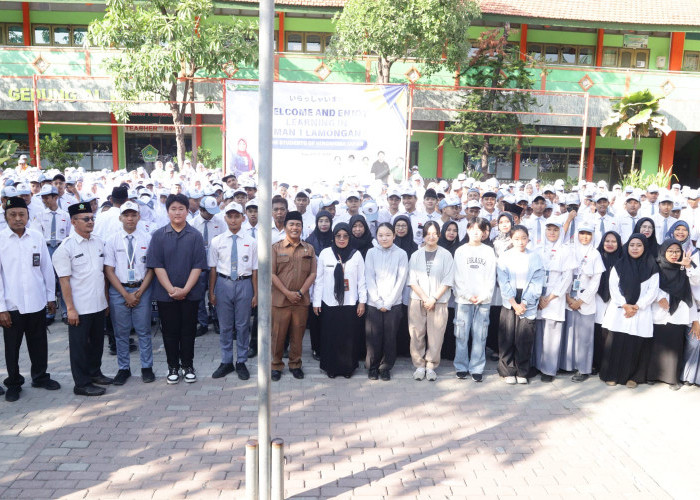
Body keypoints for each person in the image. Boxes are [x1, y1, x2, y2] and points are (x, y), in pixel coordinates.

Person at [0, 197, 60, 401]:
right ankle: (14, 382)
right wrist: (1, 308)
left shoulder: (36, 237)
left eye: (21, 214)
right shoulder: (1, 240)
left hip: (36, 302)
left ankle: (40, 377)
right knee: (12, 348)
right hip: (11, 304)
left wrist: (50, 297)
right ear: (6, 215)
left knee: (39, 343)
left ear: (27, 215)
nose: (18, 219)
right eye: (13, 215)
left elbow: (46, 269)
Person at [52, 201, 113, 396]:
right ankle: (81, 383)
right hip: (79, 307)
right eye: (85, 219)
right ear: (73, 221)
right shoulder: (66, 248)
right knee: (79, 347)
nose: (90, 221)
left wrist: (105, 300)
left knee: (97, 343)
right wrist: (70, 308)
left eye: (92, 218)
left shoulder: (98, 241)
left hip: (98, 303)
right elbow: (64, 282)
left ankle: (95, 373)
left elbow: (101, 274)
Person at [146, 193, 207, 385]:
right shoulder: (158, 235)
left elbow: (198, 266)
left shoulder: (195, 236)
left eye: (181, 208)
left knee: (188, 330)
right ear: (167, 211)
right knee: (169, 331)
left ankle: (187, 365)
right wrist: (172, 289)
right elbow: (157, 266)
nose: (177, 212)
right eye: (173, 209)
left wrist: (185, 290)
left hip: (191, 294)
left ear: (188, 211)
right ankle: (173, 366)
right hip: (166, 295)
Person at [103, 200, 156, 385]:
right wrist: (125, 294)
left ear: (139, 216)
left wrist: (139, 292)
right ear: (120, 217)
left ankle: (146, 367)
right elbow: (109, 270)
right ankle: (123, 368)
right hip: (120, 290)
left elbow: (151, 269)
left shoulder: (148, 238)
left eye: (134, 214)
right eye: (126, 215)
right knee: (121, 332)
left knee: (143, 331)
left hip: (142, 289)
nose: (130, 218)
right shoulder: (112, 240)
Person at [599, 234, 660, 387]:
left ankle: (634, 377)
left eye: (639, 245)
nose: (635, 248)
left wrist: (638, 306)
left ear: (644, 247)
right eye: (632, 245)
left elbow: (653, 290)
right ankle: (611, 374)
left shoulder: (652, 266)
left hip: (641, 311)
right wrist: (625, 305)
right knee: (616, 343)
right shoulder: (619, 265)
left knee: (636, 344)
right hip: (621, 311)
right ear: (627, 246)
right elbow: (614, 288)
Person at [208, 202, 258, 381]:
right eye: (230, 216)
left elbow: (255, 270)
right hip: (224, 283)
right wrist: (211, 292)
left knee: (243, 325)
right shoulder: (217, 241)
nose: (234, 219)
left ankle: (242, 361)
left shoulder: (251, 242)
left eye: (237, 216)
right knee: (225, 325)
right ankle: (226, 360)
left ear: (243, 218)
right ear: (225, 218)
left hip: (244, 284)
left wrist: (255, 293)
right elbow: (213, 269)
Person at [313, 223, 367, 378]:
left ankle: (347, 368)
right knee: (331, 336)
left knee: (348, 337)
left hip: (350, 303)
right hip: (330, 303)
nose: (342, 239)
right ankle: (331, 368)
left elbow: (361, 280)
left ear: (349, 237)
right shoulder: (325, 253)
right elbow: (319, 280)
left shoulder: (356, 254)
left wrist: (362, 302)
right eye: (338, 236)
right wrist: (316, 302)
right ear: (333, 237)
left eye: (345, 236)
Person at [270, 211, 317, 381]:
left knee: (297, 336)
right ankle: (275, 365)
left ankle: (295, 364)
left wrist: (300, 293)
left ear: (302, 227)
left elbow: (312, 273)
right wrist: (287, 293)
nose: (295, 227)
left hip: (300, 301)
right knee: (278, 335)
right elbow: (272, 274)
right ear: (285, 227)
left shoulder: (309, 248)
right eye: (291, 224)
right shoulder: (276, 248)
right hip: (280, 300)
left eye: (298, 224)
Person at [496, 225, 545, 384]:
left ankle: (522, 371)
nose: (520, 242)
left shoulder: (535, 257)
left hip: (527, 299)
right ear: (511, 239)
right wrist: (514, 303)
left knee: (525, 337)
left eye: (524, 238)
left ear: (528, 238)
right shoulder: (505, 256)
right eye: (516, 238)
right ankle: (507, 370)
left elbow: (537, 281)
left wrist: (524, 302)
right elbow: (503, 281)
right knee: (507, 335)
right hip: (510, 299)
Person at [407, 221, 455, 381]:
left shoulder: (446, 255)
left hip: (439, 301)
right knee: (416, 334)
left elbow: (448, 280)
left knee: (436, 336)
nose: (431, 237)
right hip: (418, 300)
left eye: (434, 233)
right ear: (424, 235)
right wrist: (425, 298)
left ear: (439, 235)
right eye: (428, 234)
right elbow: (412, 280)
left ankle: (431, 366)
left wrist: (433, 298)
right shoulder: (416, 255)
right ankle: (419, 365)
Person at [648, 240, 698, 390]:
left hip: (679, 312)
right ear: (664, 251)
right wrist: (659, 297)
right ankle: (653, 375)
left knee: (675, 346)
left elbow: (696, 283)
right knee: (657, 345)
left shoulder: (685, 266)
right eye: (670, 251)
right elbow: (650, 285)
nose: (674, 254)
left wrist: (688, 266)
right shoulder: (656, 266)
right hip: (659, 311)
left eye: (677, 251)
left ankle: (672, 379)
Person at [452, 218, 497, 383]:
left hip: (483, 301)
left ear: (485, 232)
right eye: (473, 229)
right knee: (461, 335)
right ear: (468, 230)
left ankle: (477, 368)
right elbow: (457, 277)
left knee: (480, 335)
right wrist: (467, 295)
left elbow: (491, 276)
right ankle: (461, 366)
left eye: (481, 230)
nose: (477, 233)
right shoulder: (460, 251)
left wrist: (483, 296)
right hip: (463, 300)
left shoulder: (488, 251)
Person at [364, 223, 408, 381]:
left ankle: (385, 367)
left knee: (390, 337)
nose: (384, 238)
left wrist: (388, 303)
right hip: (373, 303)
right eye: (381, 235)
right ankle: (372, 367)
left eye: (388, 235)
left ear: (394, 235)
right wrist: (376, 300)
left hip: (393, 304)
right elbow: (369, 277)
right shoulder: (371, 252)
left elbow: (401, 280)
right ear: (376, 236)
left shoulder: (401, 254)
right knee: (373, 336)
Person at [561, 224, 604, 382]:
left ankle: (583, 368)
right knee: (570, 334)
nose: (585, 237)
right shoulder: (570, 251)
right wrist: (567, 296)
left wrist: (580, 300)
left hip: (585, 301)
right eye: (582, 233)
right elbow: (564, 274)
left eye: (588, 234)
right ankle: (568, 365)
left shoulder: (595, 254)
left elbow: (596, 282)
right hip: (568, 298)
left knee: (584, 337)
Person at [533, 220, 573, 382]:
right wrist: (538, 296)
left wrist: (549, 297)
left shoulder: (566, 250)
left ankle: (549, 369)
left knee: (552, 333)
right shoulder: (537, 249)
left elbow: (567, 277)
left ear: (560, 232)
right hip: (538, 296)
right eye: (549, 229)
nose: (552, 233)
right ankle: (536, 365)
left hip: (554, 298)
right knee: (539, 333)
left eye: (555, 230)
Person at [191, 196, 225, 337]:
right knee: (199, 294)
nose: (211, 215)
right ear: (201, 209)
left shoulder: (220, 222)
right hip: (199, 264)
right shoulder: (193, 224)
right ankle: (202, 322)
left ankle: (217, 319)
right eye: (208, 212)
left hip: (215, 264)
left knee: (215, 292)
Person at [39, 185, 71, 325]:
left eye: (47, 197)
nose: (44, 200)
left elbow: (69, 234)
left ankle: (65, 311)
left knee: (63, 280)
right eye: (43, 197)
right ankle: (49, 312)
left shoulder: (65, 215)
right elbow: (38, 234)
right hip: (46, 249)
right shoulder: (40, 215)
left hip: (60, 247)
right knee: (47, 280)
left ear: (55, 197)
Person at [592, 231, 623, 374]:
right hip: (597, 298)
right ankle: (595, 363)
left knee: (610, 333)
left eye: (613, 241)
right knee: (597, 332)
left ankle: (608, 364)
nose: (610, 244)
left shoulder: (623, 260)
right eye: (607, 241)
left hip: (616, 301)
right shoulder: (596, 257)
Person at [305, 210, 334, 360]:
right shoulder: (309, 241)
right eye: (321, 221)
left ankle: (327, 345)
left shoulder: (335, 239)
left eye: (327, 221)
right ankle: (316, 347)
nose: (324, 224)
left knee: (328, 317)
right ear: (316, 223)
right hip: (314, 285)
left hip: (330, 284)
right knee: (315, 317)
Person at [393, 215, 418, 357]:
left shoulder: (414, 247)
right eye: (398, 226)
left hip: (408, 288)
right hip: (393, 286)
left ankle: (406, 348)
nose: (401, 229)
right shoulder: (389, 245)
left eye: (404, 226)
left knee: (407, 318)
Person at [437, 220, 461, 361]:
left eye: (454, 230)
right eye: (449, 230)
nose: (451, 233)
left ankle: (450, 352)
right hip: (439, 291)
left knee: (452, 321)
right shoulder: (437, 248)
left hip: (454, 293)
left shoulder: (460, 248)